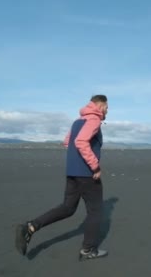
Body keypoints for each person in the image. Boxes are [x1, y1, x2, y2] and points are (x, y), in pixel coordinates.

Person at [15, 94, 109, 261]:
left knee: (68, 208)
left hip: (72, 172)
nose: (107, 110)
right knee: (95, 212)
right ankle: (88, 250)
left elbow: (67, 142)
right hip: (88, 174)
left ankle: (30, 227)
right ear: (100, 105)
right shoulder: (93, 120)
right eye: (107, 107)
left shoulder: (77, 122)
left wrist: (76, 162)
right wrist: (94, 165)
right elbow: (80, 142)